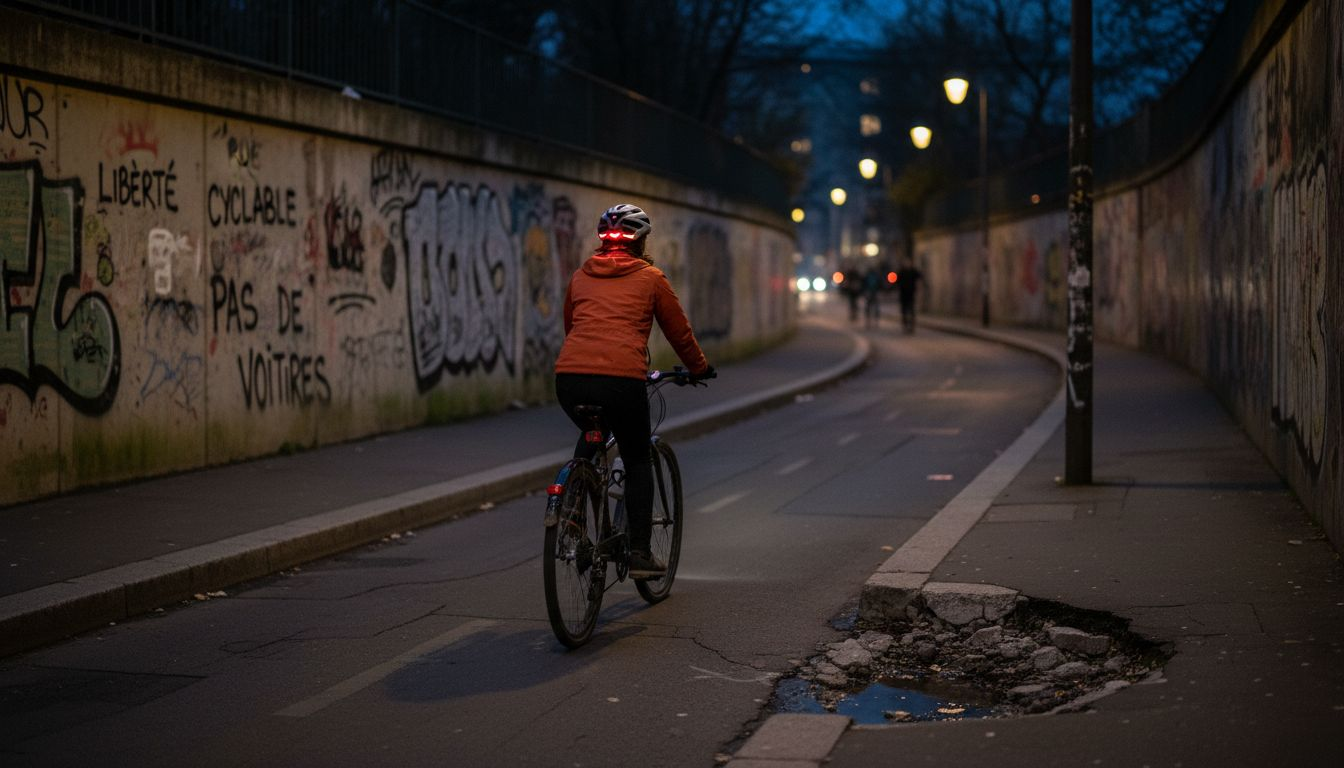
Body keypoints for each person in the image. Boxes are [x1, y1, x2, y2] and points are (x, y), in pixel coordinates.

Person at [554, 203, 713, 578]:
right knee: (638, 457)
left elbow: (571, 326)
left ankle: (574, 516)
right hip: (622, 381)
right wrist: (699, 368)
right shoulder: (651, 278)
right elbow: (679, 333)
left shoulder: (580, 276)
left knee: (592, 435)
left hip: (570, 378)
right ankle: (640, 552)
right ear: (641, 241)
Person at [896, 258, 924, 333]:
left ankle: (912, 326)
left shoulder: (913, 271)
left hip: (911, 293)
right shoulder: (901, 272)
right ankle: (905, 325)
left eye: (908, 262)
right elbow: (896, 281)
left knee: (911, 310)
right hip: (903, 294)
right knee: (904, 310)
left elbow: (920, 278)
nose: (907, 264)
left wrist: (919, 287)